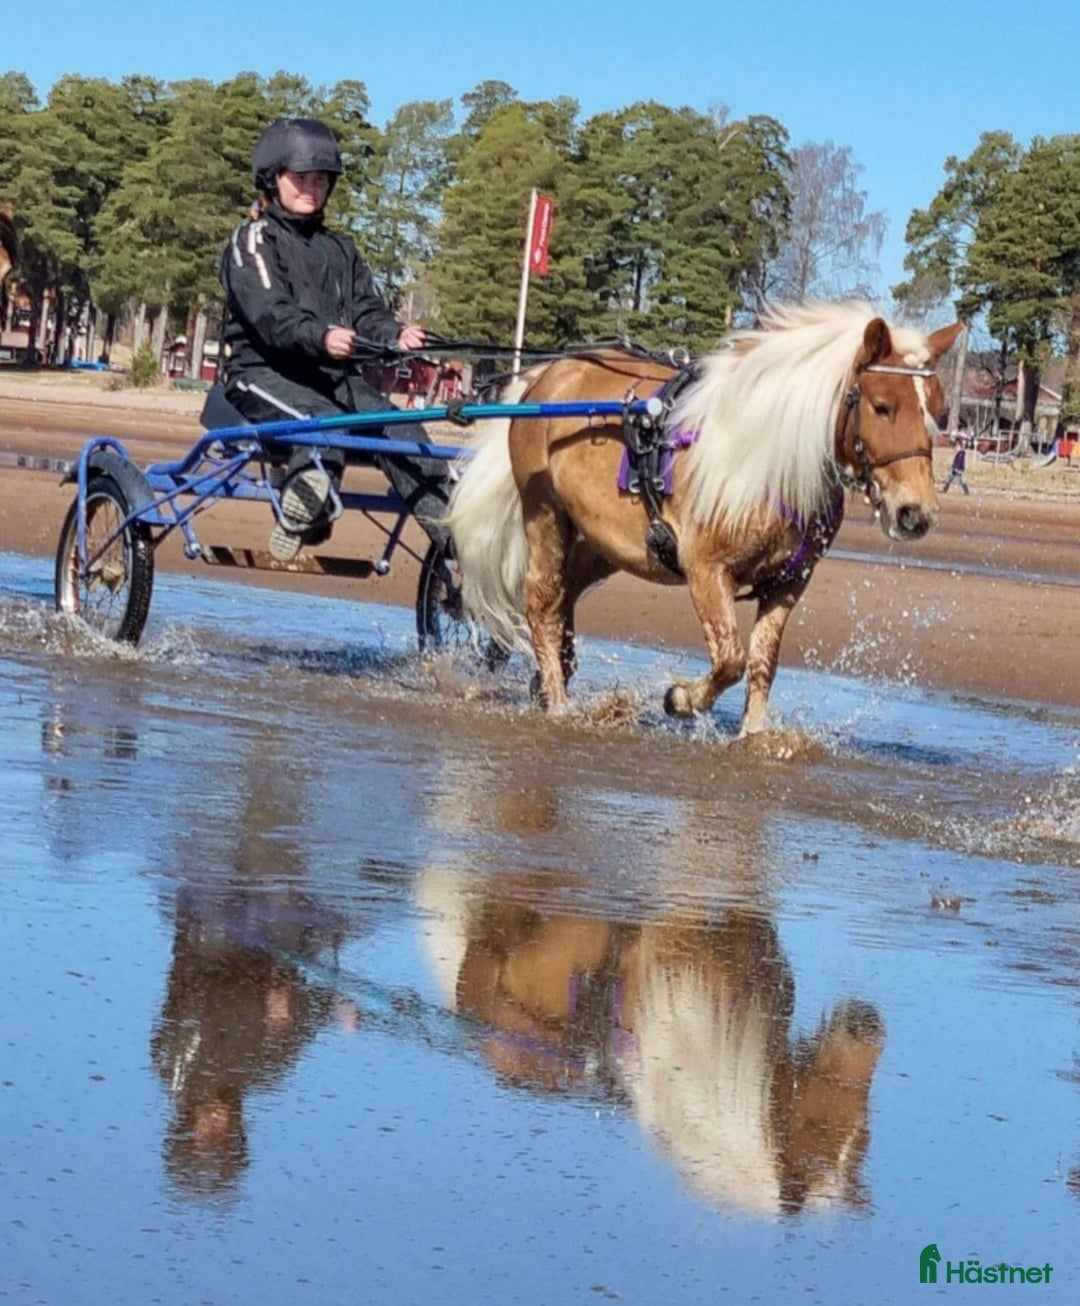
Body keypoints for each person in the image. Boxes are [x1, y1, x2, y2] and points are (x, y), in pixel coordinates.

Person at [219, 117, 452, 561]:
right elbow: (270, 314)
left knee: (400, 427)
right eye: (301, 178)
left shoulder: (341, 250)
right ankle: (307, 509)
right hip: (259, 376)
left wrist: (396, 335)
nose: (312, 188)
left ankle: (454, 535)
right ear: (274, 178)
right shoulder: (252, 241)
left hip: (333, 380)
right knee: (323, 423)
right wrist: (322, 337)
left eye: (321, 180)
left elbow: (367, 312)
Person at [942, 428, 971, 495]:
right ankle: (945, 489)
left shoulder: (960, 451)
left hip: (958, 468)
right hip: (956, 467)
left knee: (961, 479)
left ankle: (966, 491)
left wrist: (957, 468)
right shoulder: (960, 450)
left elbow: (959, 461)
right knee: (951, 477)